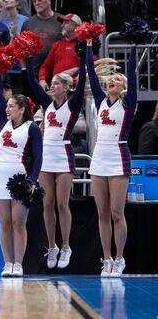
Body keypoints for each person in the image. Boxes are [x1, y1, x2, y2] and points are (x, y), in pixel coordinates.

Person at [25, 46, 86, 270]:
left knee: (62, 203)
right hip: (46, 157)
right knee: (46, 204)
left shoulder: (73, 104)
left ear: (67, 88)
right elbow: (32, 82)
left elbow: (82, 82)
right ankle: (52, 246)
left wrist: (84, 54)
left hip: (64, 155)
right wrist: (29, 56)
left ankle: (66, 245)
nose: (53, 86)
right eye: (52, 83)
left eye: (58, 83)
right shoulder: (47, 104)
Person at [87, 41, 137, 277]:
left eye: (117, 80)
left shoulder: (128, 103)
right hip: (99, 158)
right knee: (102, 213)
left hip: (118, 156)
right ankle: (106, 258)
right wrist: (88, 47)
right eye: (110, 79)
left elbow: (133, 78)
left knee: (117, 213)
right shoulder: (100, 101)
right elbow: (90, 73)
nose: (111, 81)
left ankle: (119, 258)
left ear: (123, 87)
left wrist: (134, 47)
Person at [0, 72, 42, 277]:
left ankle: (18, 264)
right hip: (0, 176)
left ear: (22, 109)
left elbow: (38, 158)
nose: (7, 108)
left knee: (19, 223)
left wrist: (33, 181)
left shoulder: (32, 128)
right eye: (7, 105)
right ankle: (7, 263)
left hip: (20, 178)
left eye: (11, 106)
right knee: (4, 223)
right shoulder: (4, 122)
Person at [21, 0, 62, 71]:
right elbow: (21, 49)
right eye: (34, 1)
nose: (37, 3)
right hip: (34, 71)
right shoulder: (28, 23)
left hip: (57, 71)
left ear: (49, 0)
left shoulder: (62, 20)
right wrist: (24, 69)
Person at [38, 13, 82, 90]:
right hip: (58, 88)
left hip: (77, 87)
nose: (62, 25)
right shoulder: (57, 45)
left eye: (66, 23)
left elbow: (93, 65)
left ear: (76, 26)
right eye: (62, 23)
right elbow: (46, 66)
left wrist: (77, 69)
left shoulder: (83, 44)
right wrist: (42, 80)